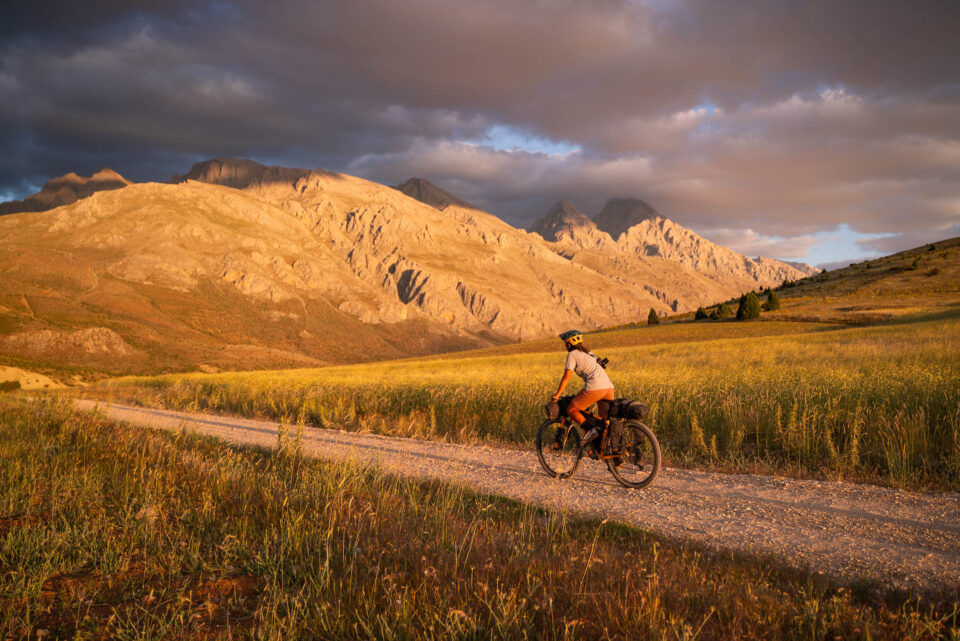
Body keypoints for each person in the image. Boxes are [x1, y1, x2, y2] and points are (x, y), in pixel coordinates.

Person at [550, 329, 614, 447]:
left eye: (565, 344)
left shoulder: (572, 354)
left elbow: (566, 377)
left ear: (569, 344)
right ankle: (614, 457)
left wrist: (557, 395)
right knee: (605, 425)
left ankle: (591, 431)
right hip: (609, 388)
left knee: (572, 409)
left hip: (596, 387)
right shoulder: (589, 353)